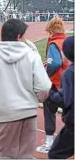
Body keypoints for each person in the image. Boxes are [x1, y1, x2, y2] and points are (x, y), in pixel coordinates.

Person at [0, 19, 52, 159]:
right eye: (24, 36)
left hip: (4, 115)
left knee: (3, 155)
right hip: (28, 114)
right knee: (26, 155)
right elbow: (44, 86)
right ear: (18, 36)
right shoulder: (32, 56)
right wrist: (35, 99)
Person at [36, 16, 70, 154]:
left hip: (56, 84)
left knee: (49, 110)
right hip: (69, 83)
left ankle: (49, 143)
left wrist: (46, 72)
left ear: (51, 31)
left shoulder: (54, 44)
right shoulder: (67, 41)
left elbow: (55, 63)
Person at [48, 36, 74, 159]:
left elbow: (65, 100)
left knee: (55, 154)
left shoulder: (69, 72)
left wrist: (51, 92)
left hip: (73, 124)